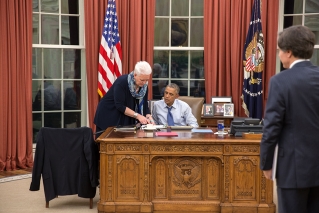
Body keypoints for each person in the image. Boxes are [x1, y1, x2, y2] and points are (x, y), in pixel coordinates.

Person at [260, 25, 319, 213]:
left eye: (279, 50)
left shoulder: (280, 81)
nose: (278, 55)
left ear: (289, 52)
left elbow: (271, 128)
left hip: (292, 169)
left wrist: (266, 164)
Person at [94, 61, 155, 136]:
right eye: (142, 80)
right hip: (109, 114)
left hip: (126, 117)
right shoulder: (122, 82)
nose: (144, 82)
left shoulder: (144, 87)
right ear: (135, 75)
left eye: (146, 80)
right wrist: (138, 116)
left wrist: (150, 117)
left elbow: (145, 105)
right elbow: (120, 105)